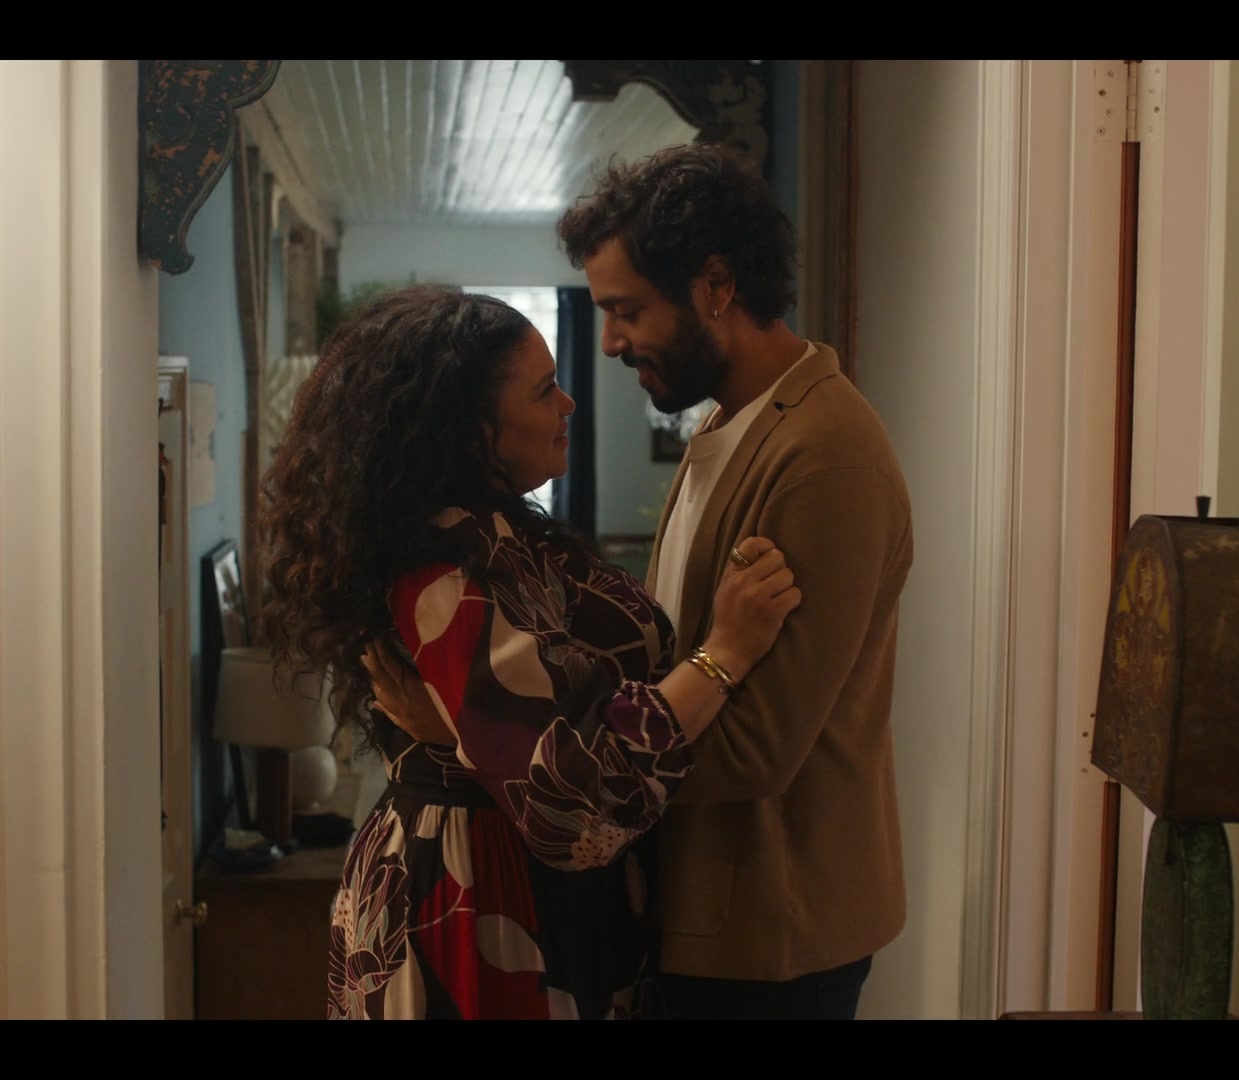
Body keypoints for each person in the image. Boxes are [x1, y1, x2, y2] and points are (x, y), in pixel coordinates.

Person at [375, 143, 914, 1019]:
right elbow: (672, 659)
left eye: (627, 310)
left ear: (715, 286)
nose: (612, 343)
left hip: (769, 930)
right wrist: (511, 738)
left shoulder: (824, 456)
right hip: (699, 911)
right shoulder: (726, 425)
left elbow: (759, 746)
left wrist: (506, 755)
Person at [257, 284, 802, 1020]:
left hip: (516, 887)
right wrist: (725, 654)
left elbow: (538, 729)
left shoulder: (498, 536)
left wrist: (470, 741)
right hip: (480, 899)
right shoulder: (445, 569)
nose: (569, 404)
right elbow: (572, 799)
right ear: (465, 428)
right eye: (544, 390)